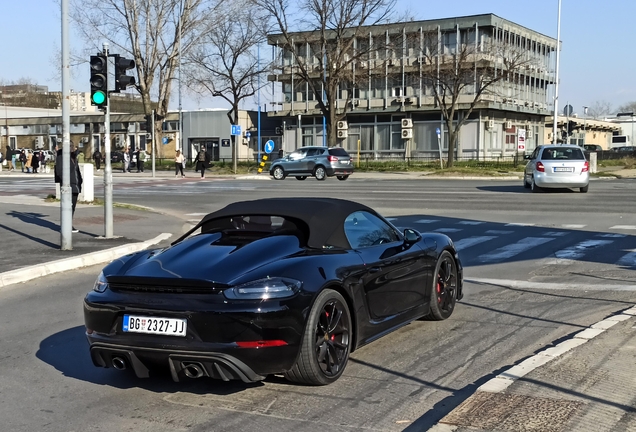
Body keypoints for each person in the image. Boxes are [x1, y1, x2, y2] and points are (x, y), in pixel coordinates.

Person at [54, 148, 83, 233]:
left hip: (76, 185)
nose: (74, 149)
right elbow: (59, 171)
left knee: (72, 207)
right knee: (67, 207)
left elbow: (76, 170)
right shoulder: (61, 156)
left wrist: (80, 180)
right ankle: (66, 225)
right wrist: (64, 182)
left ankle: (68, 224)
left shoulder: (73, 157)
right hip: (68, 185)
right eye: (72, 147)